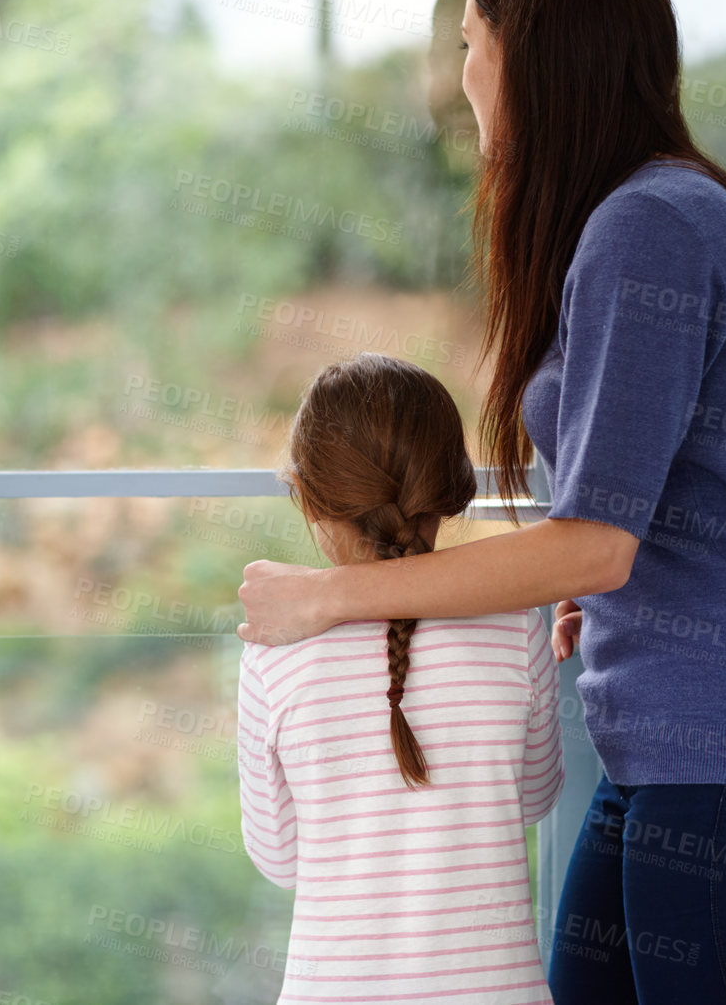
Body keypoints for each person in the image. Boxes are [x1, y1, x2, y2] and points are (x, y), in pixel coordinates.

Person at [236, 0, 726, 1004]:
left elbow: (591, 542)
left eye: (469, 42)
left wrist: (331, 598)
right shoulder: (683, 208)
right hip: (691, 762)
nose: (462, 74)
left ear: (525, 53)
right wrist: (660, 587)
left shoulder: (649, 226)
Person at [236, 353, 564, 1005]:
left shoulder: (275, 652)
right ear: (447, 489)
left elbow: (279, 859)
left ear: (306, 494)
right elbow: (534, 798)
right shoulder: (518, 626)